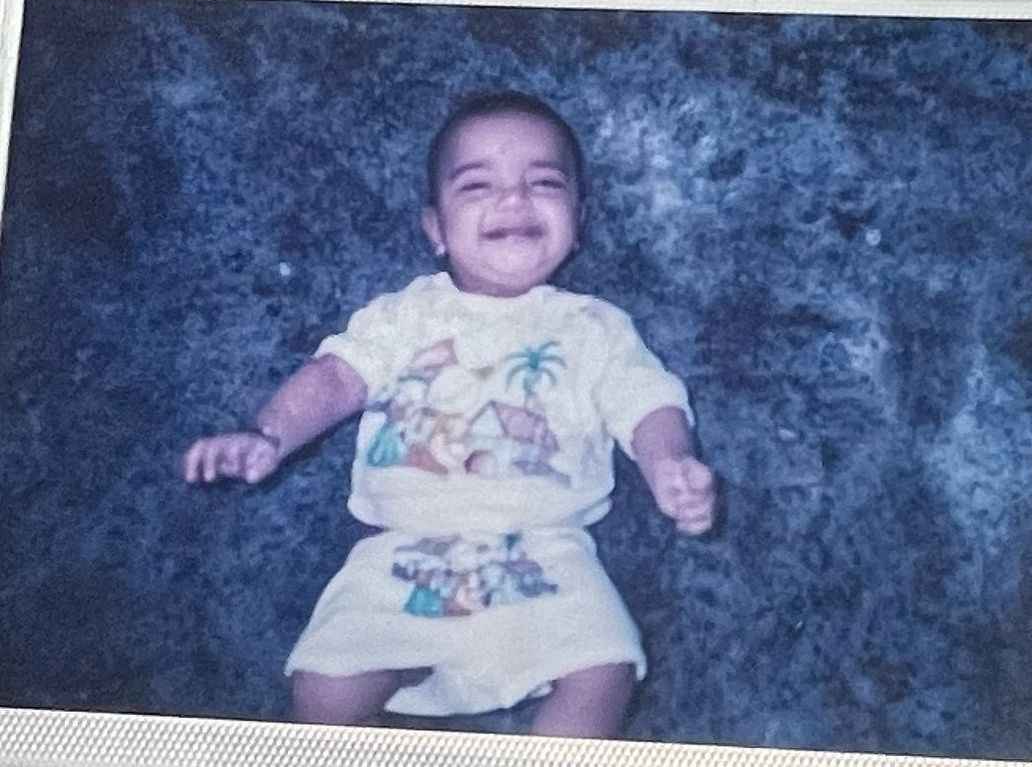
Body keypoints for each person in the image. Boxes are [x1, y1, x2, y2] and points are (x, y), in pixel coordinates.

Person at [182, 91, 716, 739]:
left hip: (546, 555)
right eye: (478, 185)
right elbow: (335, 378)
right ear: (435, 228)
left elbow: (647, 402)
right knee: (321, 692)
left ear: (578, 219)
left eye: (544, 183)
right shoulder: (404, 317)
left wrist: (670, 463)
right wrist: (268, 432)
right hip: (401, 553)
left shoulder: (594, 328)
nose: (513, 199)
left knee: (605, 670)